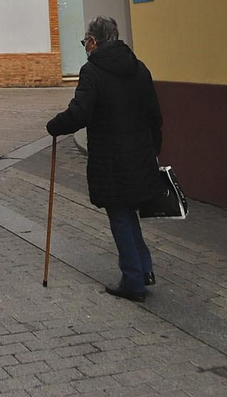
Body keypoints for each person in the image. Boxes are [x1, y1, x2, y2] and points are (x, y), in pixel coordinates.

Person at [45, 16, 163, 303]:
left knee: (119, 214)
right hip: (139, 155)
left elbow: (80, 112)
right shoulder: (139, 67)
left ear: (94, 42)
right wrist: (153, 150)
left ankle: (133, 280)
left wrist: (55, 126)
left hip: (111, 158)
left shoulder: (92, 71)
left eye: (86, 42)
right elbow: (155, 115)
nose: (85, 47)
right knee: (128, 211)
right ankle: (144, 269)